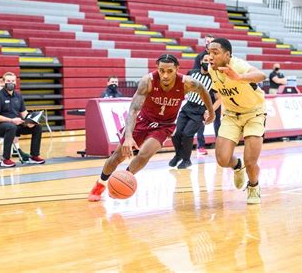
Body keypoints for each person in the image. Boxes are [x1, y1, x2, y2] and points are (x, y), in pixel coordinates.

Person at [88, 53, 215, 202]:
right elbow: (134, 110)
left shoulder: (187, 83)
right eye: (162, 71)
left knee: (145, 153)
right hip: (143, 121)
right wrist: (128, 136)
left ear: (177, 69)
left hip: (164, 125)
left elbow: (203, 90)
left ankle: (122, 181)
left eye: (170, 71)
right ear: (157, 69)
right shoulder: (147, 81)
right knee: (118, 156)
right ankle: (100, 184)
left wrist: (211, 112)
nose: (165, 75)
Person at [207, 38, 266, 204]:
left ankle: (253, 186)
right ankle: (237, 166)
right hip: (232, 115)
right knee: (222, 159)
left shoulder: (238, 65)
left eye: (215, 53)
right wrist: (211, 111)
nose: (211, 57)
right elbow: (218, 94)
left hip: (254, 113)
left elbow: (261, 75)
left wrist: (239, 77)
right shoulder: (212, 71)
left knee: (251, 161)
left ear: (227, 55)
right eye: (209, 53)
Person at [169, 54, 221, 169]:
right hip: (188, 106)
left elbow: (219, 99)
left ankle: (187, 160)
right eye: (205, 60)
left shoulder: (214, 78)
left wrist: (210, 110)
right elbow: (183, 88)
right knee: (175, 133)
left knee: (187, 134)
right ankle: (178, 155)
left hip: (200, 110)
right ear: (201, 61)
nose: (207, 62)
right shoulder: (192, 73)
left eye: (210, 61)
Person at [0, 72, 45, 167]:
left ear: (16, 82)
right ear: (4, 82)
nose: (11, 83)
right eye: (8, 81)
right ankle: (6, 159)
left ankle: (34, 156)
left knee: (37, 127)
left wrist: (30, 121)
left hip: (16, 124)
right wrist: (11, 120)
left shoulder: (18, 96)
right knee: (11, 127)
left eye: (13, 81)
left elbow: (24, 113)